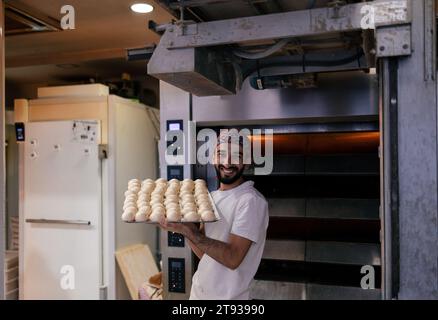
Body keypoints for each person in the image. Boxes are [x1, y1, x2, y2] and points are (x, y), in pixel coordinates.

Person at [159, 129, 269, 300]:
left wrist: (191, 232)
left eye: (237, 156)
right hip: (199, 294)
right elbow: (206, 254)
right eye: (221, 153)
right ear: (213, 159)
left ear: (247, 162)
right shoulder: (212, 197)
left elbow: (232, 258)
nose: (227, 162)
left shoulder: (250, 201)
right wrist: (184, 230)